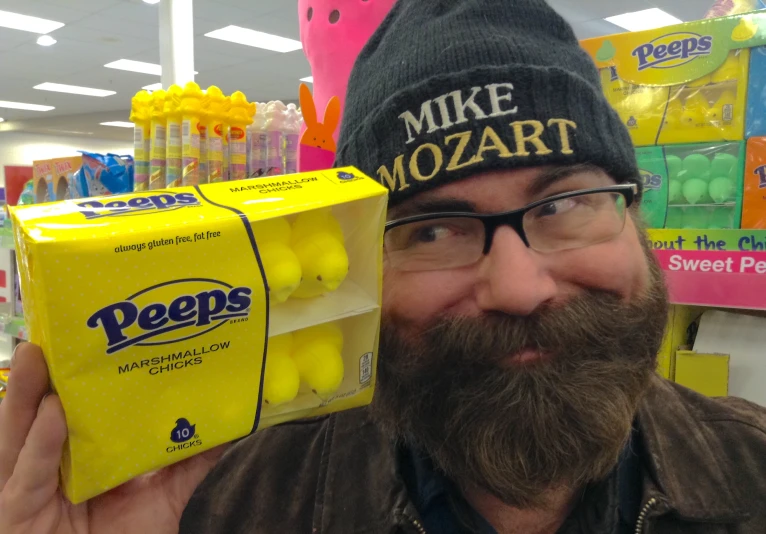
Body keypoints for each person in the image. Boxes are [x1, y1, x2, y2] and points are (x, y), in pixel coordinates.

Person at [2, 0, 766, 533]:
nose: (519, 287)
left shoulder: (754, 475)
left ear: (635, 214)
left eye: (566, 205)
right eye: (433, 230)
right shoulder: (231, 507)